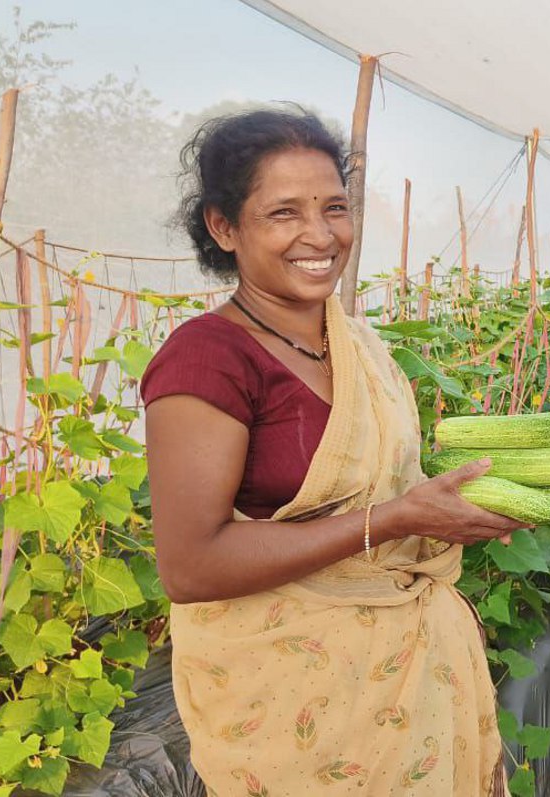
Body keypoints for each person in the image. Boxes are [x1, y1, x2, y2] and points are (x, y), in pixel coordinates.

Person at [141, 107, 525, 795]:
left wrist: (453, 506)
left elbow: (376, 492)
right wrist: (398, 520)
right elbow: (191, 566)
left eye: (334, 208)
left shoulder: (354, 344)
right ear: (223, 227)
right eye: (283, 212)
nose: (319, 235)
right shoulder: (207, 357)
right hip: (288, 710)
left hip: (403, 675)